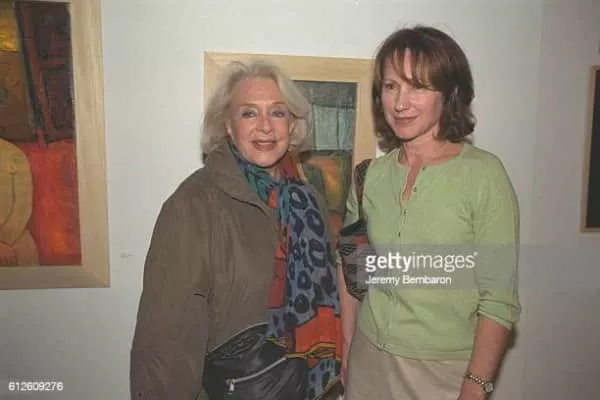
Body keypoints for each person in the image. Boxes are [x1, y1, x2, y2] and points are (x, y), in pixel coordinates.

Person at [130, 60, 343, 400]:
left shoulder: (310, 201)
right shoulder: (193, 205)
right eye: (249, 113)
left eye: (277, 112)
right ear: (228, 125)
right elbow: (166, 340)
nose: (265, 126)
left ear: (292, 124)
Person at [340, 25, 521, 400]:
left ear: (448, 93)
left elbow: (498, 300)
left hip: (443, 374)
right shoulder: (369, 177)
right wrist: (347, 345)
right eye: (391, 86)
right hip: (367, 362)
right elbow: (353, 270)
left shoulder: (484, 175)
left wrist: (476, 386)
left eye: (417, 87)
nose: (400, 102)